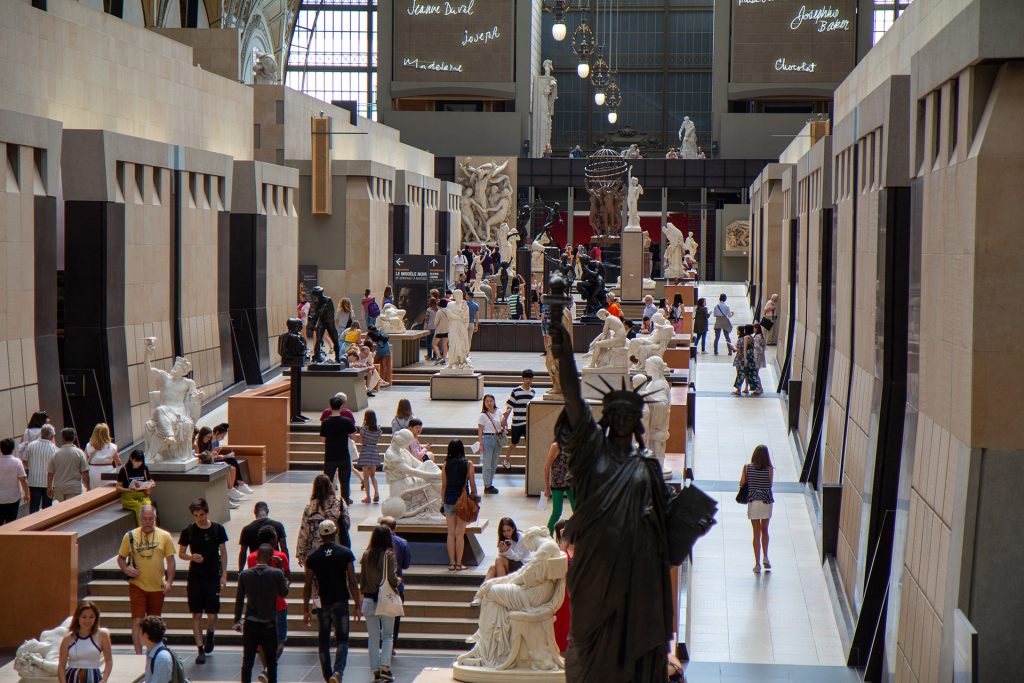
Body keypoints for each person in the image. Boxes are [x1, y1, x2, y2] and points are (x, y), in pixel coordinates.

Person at [304, 520, 361, 683]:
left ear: (321, 536)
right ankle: (338, 673)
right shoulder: (345, 552)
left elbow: (307, 585)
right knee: (342, 639)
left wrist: (306, 609)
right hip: (340, 601)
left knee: (323, 642)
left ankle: (327, 675)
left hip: (322, 602)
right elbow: (351, 580)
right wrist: (357, 604)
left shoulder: (313, 557)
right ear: (335, 533)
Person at [116, 505, 175, 654]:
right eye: (145, 519)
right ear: (140, 518)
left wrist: (169, 581)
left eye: (151, 519)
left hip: (157, 585)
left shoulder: (165, 536)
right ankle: (138, 653)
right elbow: (121, 558)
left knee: (154, 621)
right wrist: (125, 568)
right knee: (137, 619)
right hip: (137, 584)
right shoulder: (130, 536)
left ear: (155, 518)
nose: (148, 522)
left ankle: (153, 650)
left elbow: (170, 561)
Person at [177, 498, 228, 664]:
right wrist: (191, 557)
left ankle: (210, 634)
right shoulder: (189, 531)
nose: (200, 518)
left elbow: (223, 552)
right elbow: (181, 553)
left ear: (207, 512)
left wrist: (224, 574)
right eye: (196, 515)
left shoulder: (218, 529)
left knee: (213, 614)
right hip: (195, 577)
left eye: (202, 514)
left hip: (213, 575)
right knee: (196, 613)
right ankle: (200, 649)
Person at [234, 544, 289, 683]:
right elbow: (284, 593)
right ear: (271, 559)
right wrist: (281, 568)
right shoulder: (276, 573)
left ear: (256, 557)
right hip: (269, 624)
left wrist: (237, 620)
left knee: (247, 661)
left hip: (251, 623)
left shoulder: (245, 574)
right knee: (271, 662)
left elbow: (239, 599)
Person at [246, 525, 290, 673]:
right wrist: (280, 568)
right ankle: (268, 670)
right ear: (273, 540)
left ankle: (266, 668)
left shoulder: (252, 557)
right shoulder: (281, 556)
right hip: (278, 605)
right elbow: (287, 580)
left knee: (262, 645)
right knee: (281, 640)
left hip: (258, 607)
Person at [359, 525, 400, 682]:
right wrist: (398, 581)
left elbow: (362, 581)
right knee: (388, 636)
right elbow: (391, 578)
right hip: (385, 600)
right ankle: (385, 668)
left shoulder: (366, 554)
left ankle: (375, 671)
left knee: (373, 638)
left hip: (369, 600)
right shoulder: (389, 555)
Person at [297, 474, 351, 566]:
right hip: (336, 547)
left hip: (315, 550)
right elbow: (347, 524)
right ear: (330, 486)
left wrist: (300, 553)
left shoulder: (310, 508)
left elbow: (304, 532)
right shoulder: (340, 503)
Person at [442, 440, 478, 571]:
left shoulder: (446, 464)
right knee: (460, 534)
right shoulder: (468, 464)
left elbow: (444, 486)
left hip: (449, 500)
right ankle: (459, 563)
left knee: (450, 533)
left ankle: (451, 563)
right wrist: (475, 498)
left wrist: (443, 501)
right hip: (462, 502)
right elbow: (472, 484)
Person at [57, 601, 113, 683]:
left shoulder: (102, 635)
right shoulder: (68, 638)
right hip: (72, 678)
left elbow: (109, 661)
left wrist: (104, 679)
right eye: (84, 617)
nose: (87, 620)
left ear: (96, 618)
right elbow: (61, 666)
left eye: (91, 617)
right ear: (77, 617)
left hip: (94, 678)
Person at [379, 516, 411, 652]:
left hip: (378, 586)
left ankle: (381, 643)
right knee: (395, 618)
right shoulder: (402, 543)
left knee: (380, 616)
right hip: (396, 586)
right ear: (395, 528)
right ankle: (392, 645)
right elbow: (406, 564)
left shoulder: (374, 545)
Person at [741, 445, 774, 573]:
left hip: (753, 501)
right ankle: (765, 556)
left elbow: (742, 483)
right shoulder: (770, 470)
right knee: (765, 530)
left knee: (756, 533)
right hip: (766, 501)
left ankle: (757, 564)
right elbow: (770, 484)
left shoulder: (747, 468)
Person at [194, 426, 246, 506]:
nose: (208, 439)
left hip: (209, 463)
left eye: (209, 437)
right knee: (226, 466)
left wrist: (213, 454)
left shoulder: (207, 443)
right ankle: (230, 491)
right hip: (203, 466)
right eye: (207, 437)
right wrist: (211, 455)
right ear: (202, 435)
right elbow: (198, 460)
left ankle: (229, 492)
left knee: (232, 469)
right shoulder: (196, 444)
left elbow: (210, 457)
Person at [320, 395, 357, 504]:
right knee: (345, 481)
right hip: (344, 455)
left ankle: (328, 501)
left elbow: (323, 440)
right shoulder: (347, 421)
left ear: (330, 406)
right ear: (342, 406)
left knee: (328, 480)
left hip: (330, 456)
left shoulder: (326, 422)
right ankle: (344, 502)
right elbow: (353, 436)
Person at [500, 369, 535, 471]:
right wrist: (505, 419)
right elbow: (509, 406)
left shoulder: (532, 392)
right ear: (523, 379)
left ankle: (530, 462)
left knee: (529, 443)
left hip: (527, 423)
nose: (528, 380)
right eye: (526, 378)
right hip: (516, 422)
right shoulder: (516, 391)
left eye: (530, 378)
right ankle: (506, 459)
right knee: (514, 443)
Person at [239, 501, 289, 570]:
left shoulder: (247, 529)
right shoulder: (278, 525)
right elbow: (284, 548)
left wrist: (240, 571)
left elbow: (243, 553)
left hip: (255, 566)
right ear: (267, 511)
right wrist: (286, 568)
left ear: (254, 512)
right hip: (275, 566)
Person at [21, 424, 56, 512]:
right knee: (47, 507)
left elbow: (24, 461)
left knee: (34, 507)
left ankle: (33, 524)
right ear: (52, 436)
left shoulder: (31, 445)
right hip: (49, 483)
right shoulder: (54, 448)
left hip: (33, 481)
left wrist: (32, 466)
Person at [48, 427, 90, 502]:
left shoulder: (55, 454)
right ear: (74, 438)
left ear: (62, 438)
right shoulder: (80, 453)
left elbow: (50, 473)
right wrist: (88, 487)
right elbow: (85, 473)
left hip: (59, 488)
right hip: (74, 488)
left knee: (62, 510)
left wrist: (49, 487)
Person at [211, 423, 254, 494]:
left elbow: (215, 454)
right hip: (212, 460)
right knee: (231, 465)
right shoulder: (211, 441)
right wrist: (224, 456)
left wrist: (222, 454)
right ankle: (238, 484)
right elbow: (211, 456)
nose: (223, 438)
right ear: (217, 432)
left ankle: (239, 484)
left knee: (232, 460)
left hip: (216, 458)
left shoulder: (216, 441)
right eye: (223, 436)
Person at [543, 441, 575, 535]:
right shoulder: (556, 446)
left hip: (571, 482)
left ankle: (576, 536)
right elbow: (546, 467)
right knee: (557, 512)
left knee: (577, 511)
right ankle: (548, 536)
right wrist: (547, 488)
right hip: (557, 483)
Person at [115, 450, 155, 524]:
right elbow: (118, 487)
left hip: (142, 496)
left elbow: (151, 480)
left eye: (140, 461)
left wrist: (151, 484)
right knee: (139, 508)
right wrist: (128, 490)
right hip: (129, 497)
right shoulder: (124, 469)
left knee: (148, 509)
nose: (138, 464)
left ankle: (152, 530)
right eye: (136, 461)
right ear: (131, 459)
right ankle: (142, 530)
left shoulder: (144, 468)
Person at [477, 394, 504, 495]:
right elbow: (480, 431)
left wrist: (505, 418)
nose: (489, 403)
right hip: (487, 439)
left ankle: (490, 484)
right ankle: (487, 485)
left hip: (498, 439)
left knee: (494, 464)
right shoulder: (483, 415)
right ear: (484, 403)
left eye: (491, 401)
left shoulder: (499, 412)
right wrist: (480, 444)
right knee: (487, 464)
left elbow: (502, 425)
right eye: (487, 401)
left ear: (494, 401)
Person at [0, 437, 28, 524]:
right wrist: (27, 493)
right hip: (14, 497)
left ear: (1, 449)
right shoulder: (17, 462)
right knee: (11, 522)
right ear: (13, 449)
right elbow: (23, 479)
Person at [85, 423, 121, 490]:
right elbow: (118, 463)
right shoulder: (112, 447)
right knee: (108, 491)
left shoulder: (89, 446)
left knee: (94, 492)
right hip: (108, 472)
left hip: (93, 472)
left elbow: (84, 461)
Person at [357, 410, 383, 504]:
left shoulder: (363, 429)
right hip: (375, 450)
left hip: (365, 451)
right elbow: (377, 438)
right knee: (372, 475)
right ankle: (376, 492)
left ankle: (368, 497)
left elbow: (361, 442)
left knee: (365, 476)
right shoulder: (378, 429)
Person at [138, 617, 174, 683]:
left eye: (140, 632)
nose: (138, 635)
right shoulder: (150, 652)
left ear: (146, 635)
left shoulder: (162, 658)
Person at [432, 298, 450, 364]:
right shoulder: (449, 311)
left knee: (434, 344)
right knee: (445, 344)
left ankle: (439, 357)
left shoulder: (439, 311)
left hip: (439, 330)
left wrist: (435, 327)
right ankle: (444, 359)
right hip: (447, 330)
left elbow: (436, 322)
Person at [751, 322, 767, 390]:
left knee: (755, 374)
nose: (753, 329)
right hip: (760, 356)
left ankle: (759, 387)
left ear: (757, 328)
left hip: (757, 356)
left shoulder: (757, 337)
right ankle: (758, 387)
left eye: (754, 328)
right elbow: (764, 347)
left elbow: (757, 346)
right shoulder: (761, 336)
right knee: (756, 373)